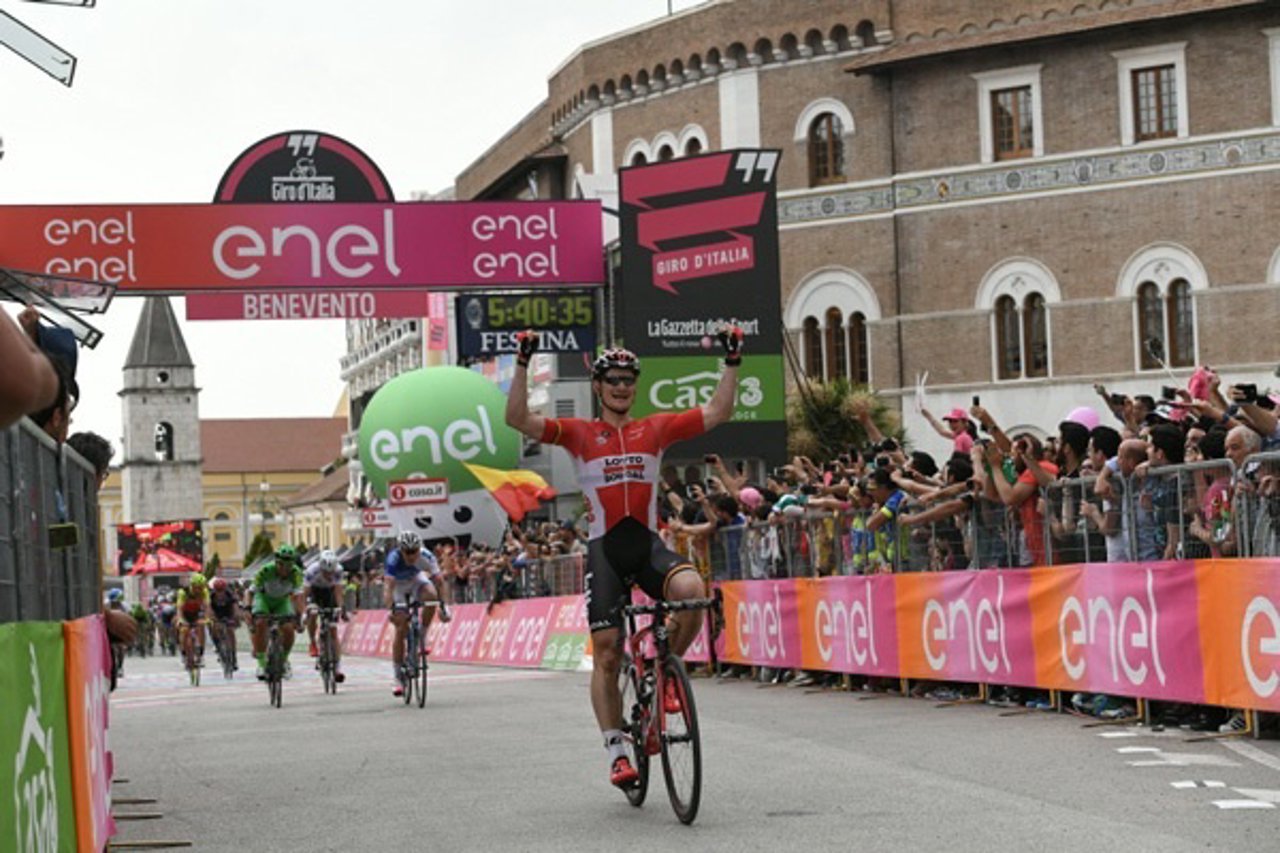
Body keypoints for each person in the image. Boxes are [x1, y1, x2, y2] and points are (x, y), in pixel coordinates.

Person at [504, 325, 741, 790]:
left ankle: (666, 671)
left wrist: (732, 361)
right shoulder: (579, 433)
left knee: (692, 590)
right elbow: (517, 418)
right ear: (597, 386)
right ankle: (616, 752)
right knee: (609, 652)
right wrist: (522, 362)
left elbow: (719, 411)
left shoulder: (655, 428)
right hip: (605, 552)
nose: (620, 386)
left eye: (627, 380)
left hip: (647, 546)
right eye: (611, 379)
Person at [384, 531, 451, 697]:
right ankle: (397, 676)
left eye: (414, 551)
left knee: (431, 596)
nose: (411, 556)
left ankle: (422, 633)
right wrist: (391, 609)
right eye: (407, 552)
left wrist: (444, 606)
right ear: (401, 550)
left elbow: (440, 582)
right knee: (400, 628)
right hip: (398, 587)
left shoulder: (426, 556)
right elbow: (388, 587)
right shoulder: (393, 559)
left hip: (416, 580)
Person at [250, 544, 306, 681]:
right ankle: (261, 664)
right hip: (263, 599)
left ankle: (284, 660)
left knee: (288, 628)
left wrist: (300, 617)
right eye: (281, 565)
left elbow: (298, 598)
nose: (284, 569)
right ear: (276, 562)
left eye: (288, 566)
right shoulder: (265, 570)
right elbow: (249, 592)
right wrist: (247, 609)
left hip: (282, 601)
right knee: (261, 623)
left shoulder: (296, 573)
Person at [304, 549, 346, 683]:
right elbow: (305, 593)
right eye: (326, 572)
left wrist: (340, 608)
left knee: (333, 630)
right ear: (321, 567)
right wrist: (305, 610)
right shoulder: (312, 571)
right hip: (314, 593)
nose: (329, 574)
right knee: (313, 613)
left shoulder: (339, 570)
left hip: (329, 593)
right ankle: (312, 642)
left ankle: (337, 667)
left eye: (331, 572)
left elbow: (338, 592)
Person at [175, 574, 212, 667]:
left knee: (201, 628)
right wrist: (180, 619)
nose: (198, 590)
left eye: (201, 587)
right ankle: (184, 654)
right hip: (185, 613)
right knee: (183, 631)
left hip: (197, 613)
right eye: (196, 587)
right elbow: (179, 609)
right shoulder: (183, 592)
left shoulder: (205, 592)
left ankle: (201, 654)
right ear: (192, 586)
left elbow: (207, 607)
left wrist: (207, 618)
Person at [207, 577, 241, 671]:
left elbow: (235, 608)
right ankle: (218, 647)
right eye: (217, 591)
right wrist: (212, 618)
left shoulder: (230, 595)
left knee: (230, 631)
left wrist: (236, 618)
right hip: (216, 614)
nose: (220, 593)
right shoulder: (211, 596)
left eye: (221, 590)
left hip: (228, 613)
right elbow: (209, 609)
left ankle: (233, 656)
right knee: (213, 627)